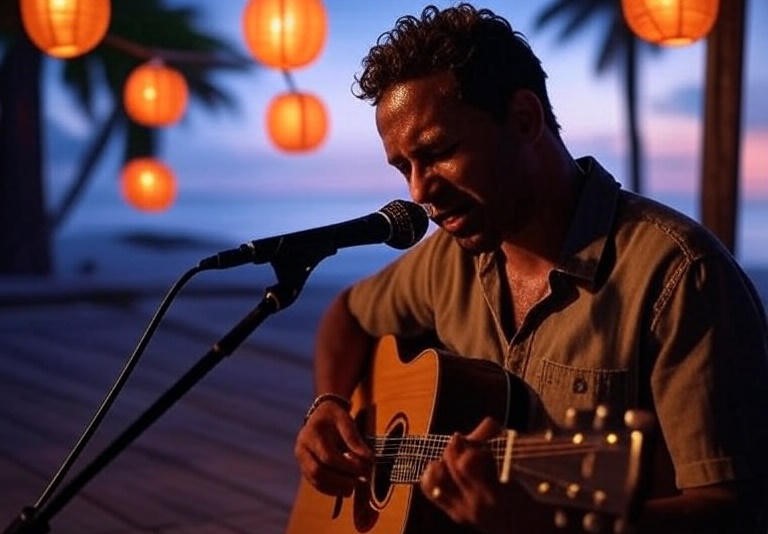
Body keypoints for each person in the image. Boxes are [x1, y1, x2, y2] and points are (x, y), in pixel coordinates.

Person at [294, 4, 768, 532]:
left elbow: (732, 512)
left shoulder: (679, 276)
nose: (419, 191)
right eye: (404, 166)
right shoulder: (449, 256)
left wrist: (541, 527)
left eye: (441, 152)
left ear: (524, 119)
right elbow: (348, 314)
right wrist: (329, 404)